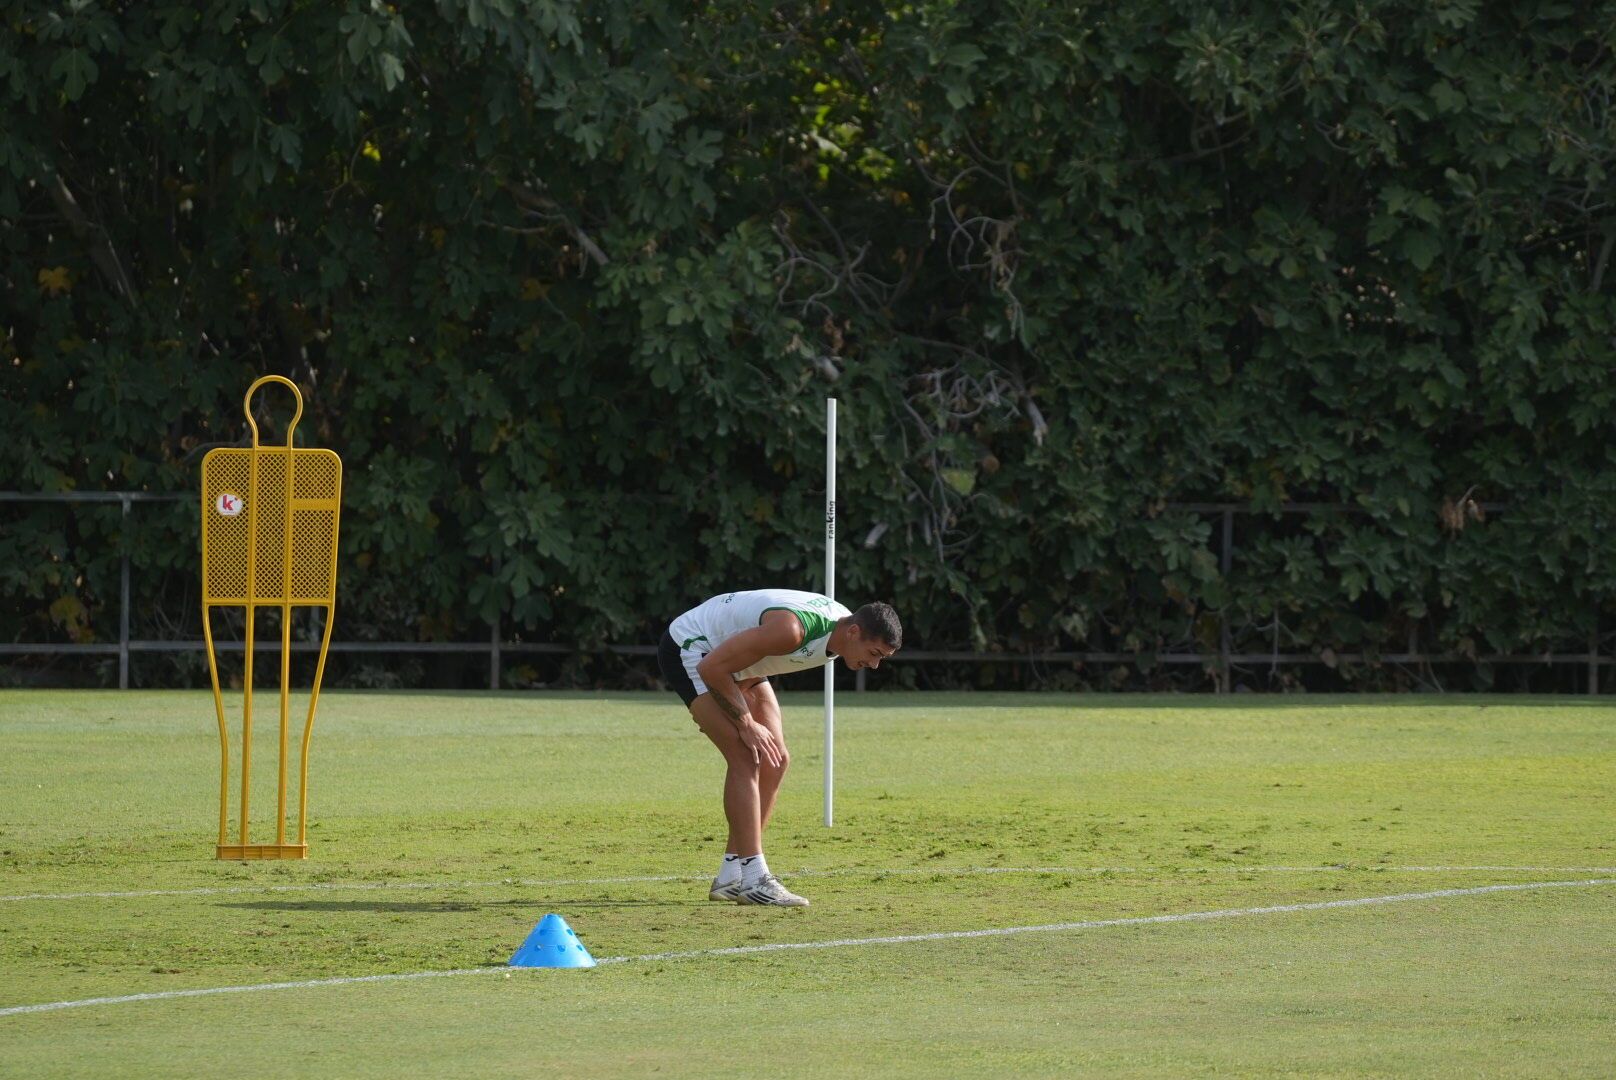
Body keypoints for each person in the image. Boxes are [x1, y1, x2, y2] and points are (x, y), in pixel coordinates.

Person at [657, 590, 902, 906]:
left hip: (734, 662)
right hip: (693, 649)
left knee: (776, 759)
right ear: (853, 631)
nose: (875, 664)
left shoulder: (840, 630)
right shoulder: (792, 630)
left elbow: (754, 659)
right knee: (745, 755)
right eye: (874, 653)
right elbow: (711, 669)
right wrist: (743, 722)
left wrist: (727, 706)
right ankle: (755, 878)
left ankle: (731, 876)